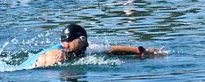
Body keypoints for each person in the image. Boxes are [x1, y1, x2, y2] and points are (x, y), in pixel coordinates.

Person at [20, 23, 165, 69]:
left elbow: (112, 49)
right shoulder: (57, 55)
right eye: (84, 40)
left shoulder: (79, 49)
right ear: (75, 39)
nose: (87, 44)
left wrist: (142, 51)